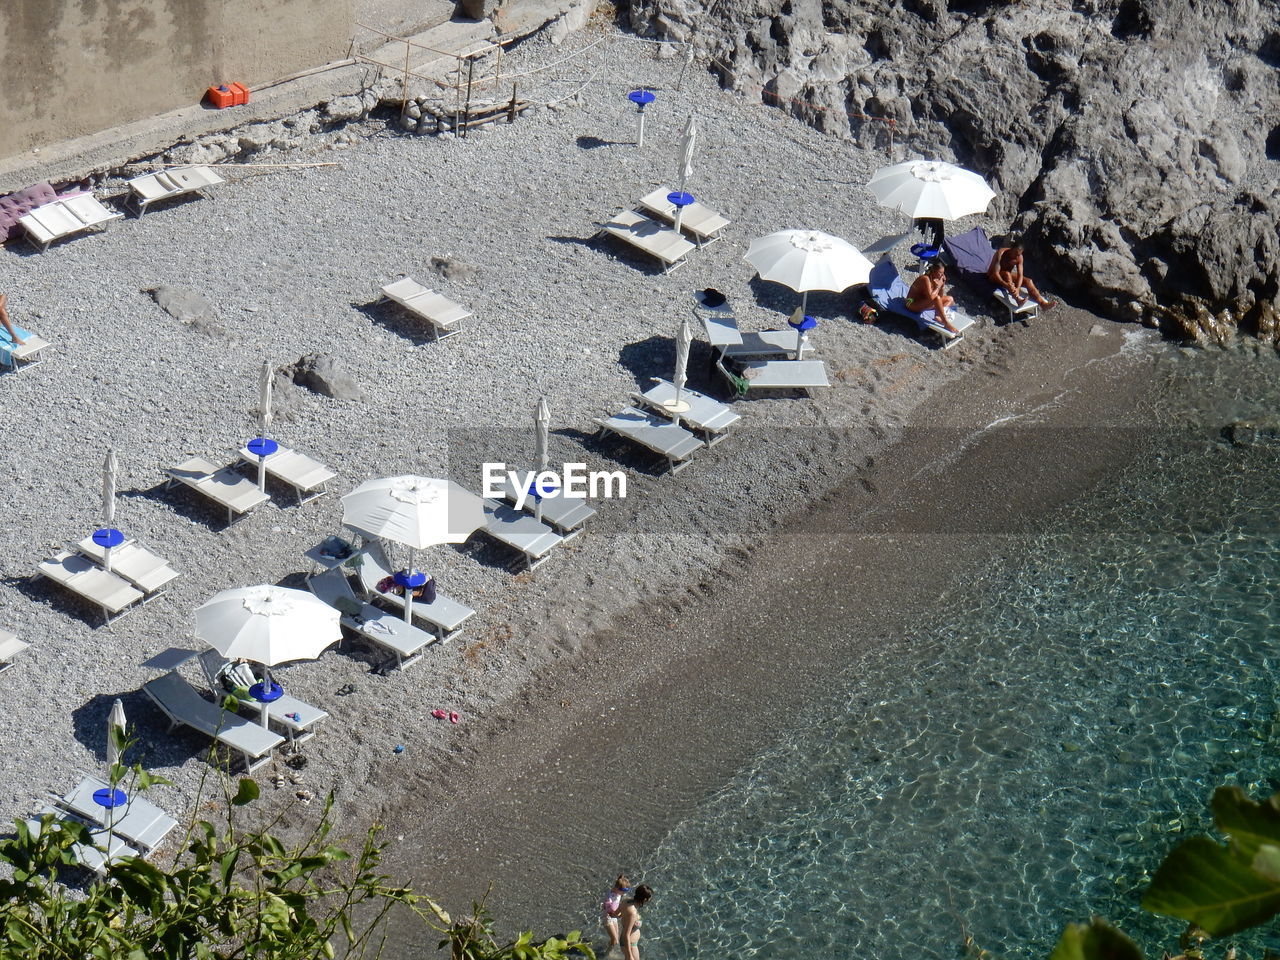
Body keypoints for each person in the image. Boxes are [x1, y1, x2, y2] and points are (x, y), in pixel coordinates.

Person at [986, 240, 1056, 311]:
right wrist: (1006, 285)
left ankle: (1042, 303)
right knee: (1007, 274)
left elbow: (1020, 275)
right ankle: (1017, 299)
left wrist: (1018, 288)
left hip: (1007, 277)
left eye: (1019, 254)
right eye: (1016, 253)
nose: (1017, 256)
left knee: (1028, 281)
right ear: (1011, 249)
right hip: (993, 276)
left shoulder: (1019, 258)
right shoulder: (1001, 253)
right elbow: (995, 273)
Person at [905, 262, 958, 334]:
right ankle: (946, 323)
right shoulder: (925, 279)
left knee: (950, 299)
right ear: (933, 271)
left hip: (924, 302)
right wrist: (937, 287)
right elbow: (931, 297)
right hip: (911, 303)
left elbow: (941, 296)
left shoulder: (937, 279)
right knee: (937, 298)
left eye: (943, 273)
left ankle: (938, 316)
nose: (941, 275)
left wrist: (942, 285)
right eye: (940, 273)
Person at [619, 884, 652, 960]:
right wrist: (629, 955)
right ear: (644, 899)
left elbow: (617, 914)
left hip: (628, 943)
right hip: (630, 945)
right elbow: (626, 934)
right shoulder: (633, 913)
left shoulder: (626, 901)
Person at [601, 875, 629, 952]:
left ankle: (609, 947)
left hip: (614, 917)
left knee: (616, 938)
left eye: (627, 890)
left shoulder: (619, 893)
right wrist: (621, 915)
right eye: (624, 890)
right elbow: (610, 911)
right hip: (608, 918)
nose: (624, 893)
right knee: (615, 940)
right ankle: (607, 954)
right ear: (617, 888)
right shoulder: (609, 896)